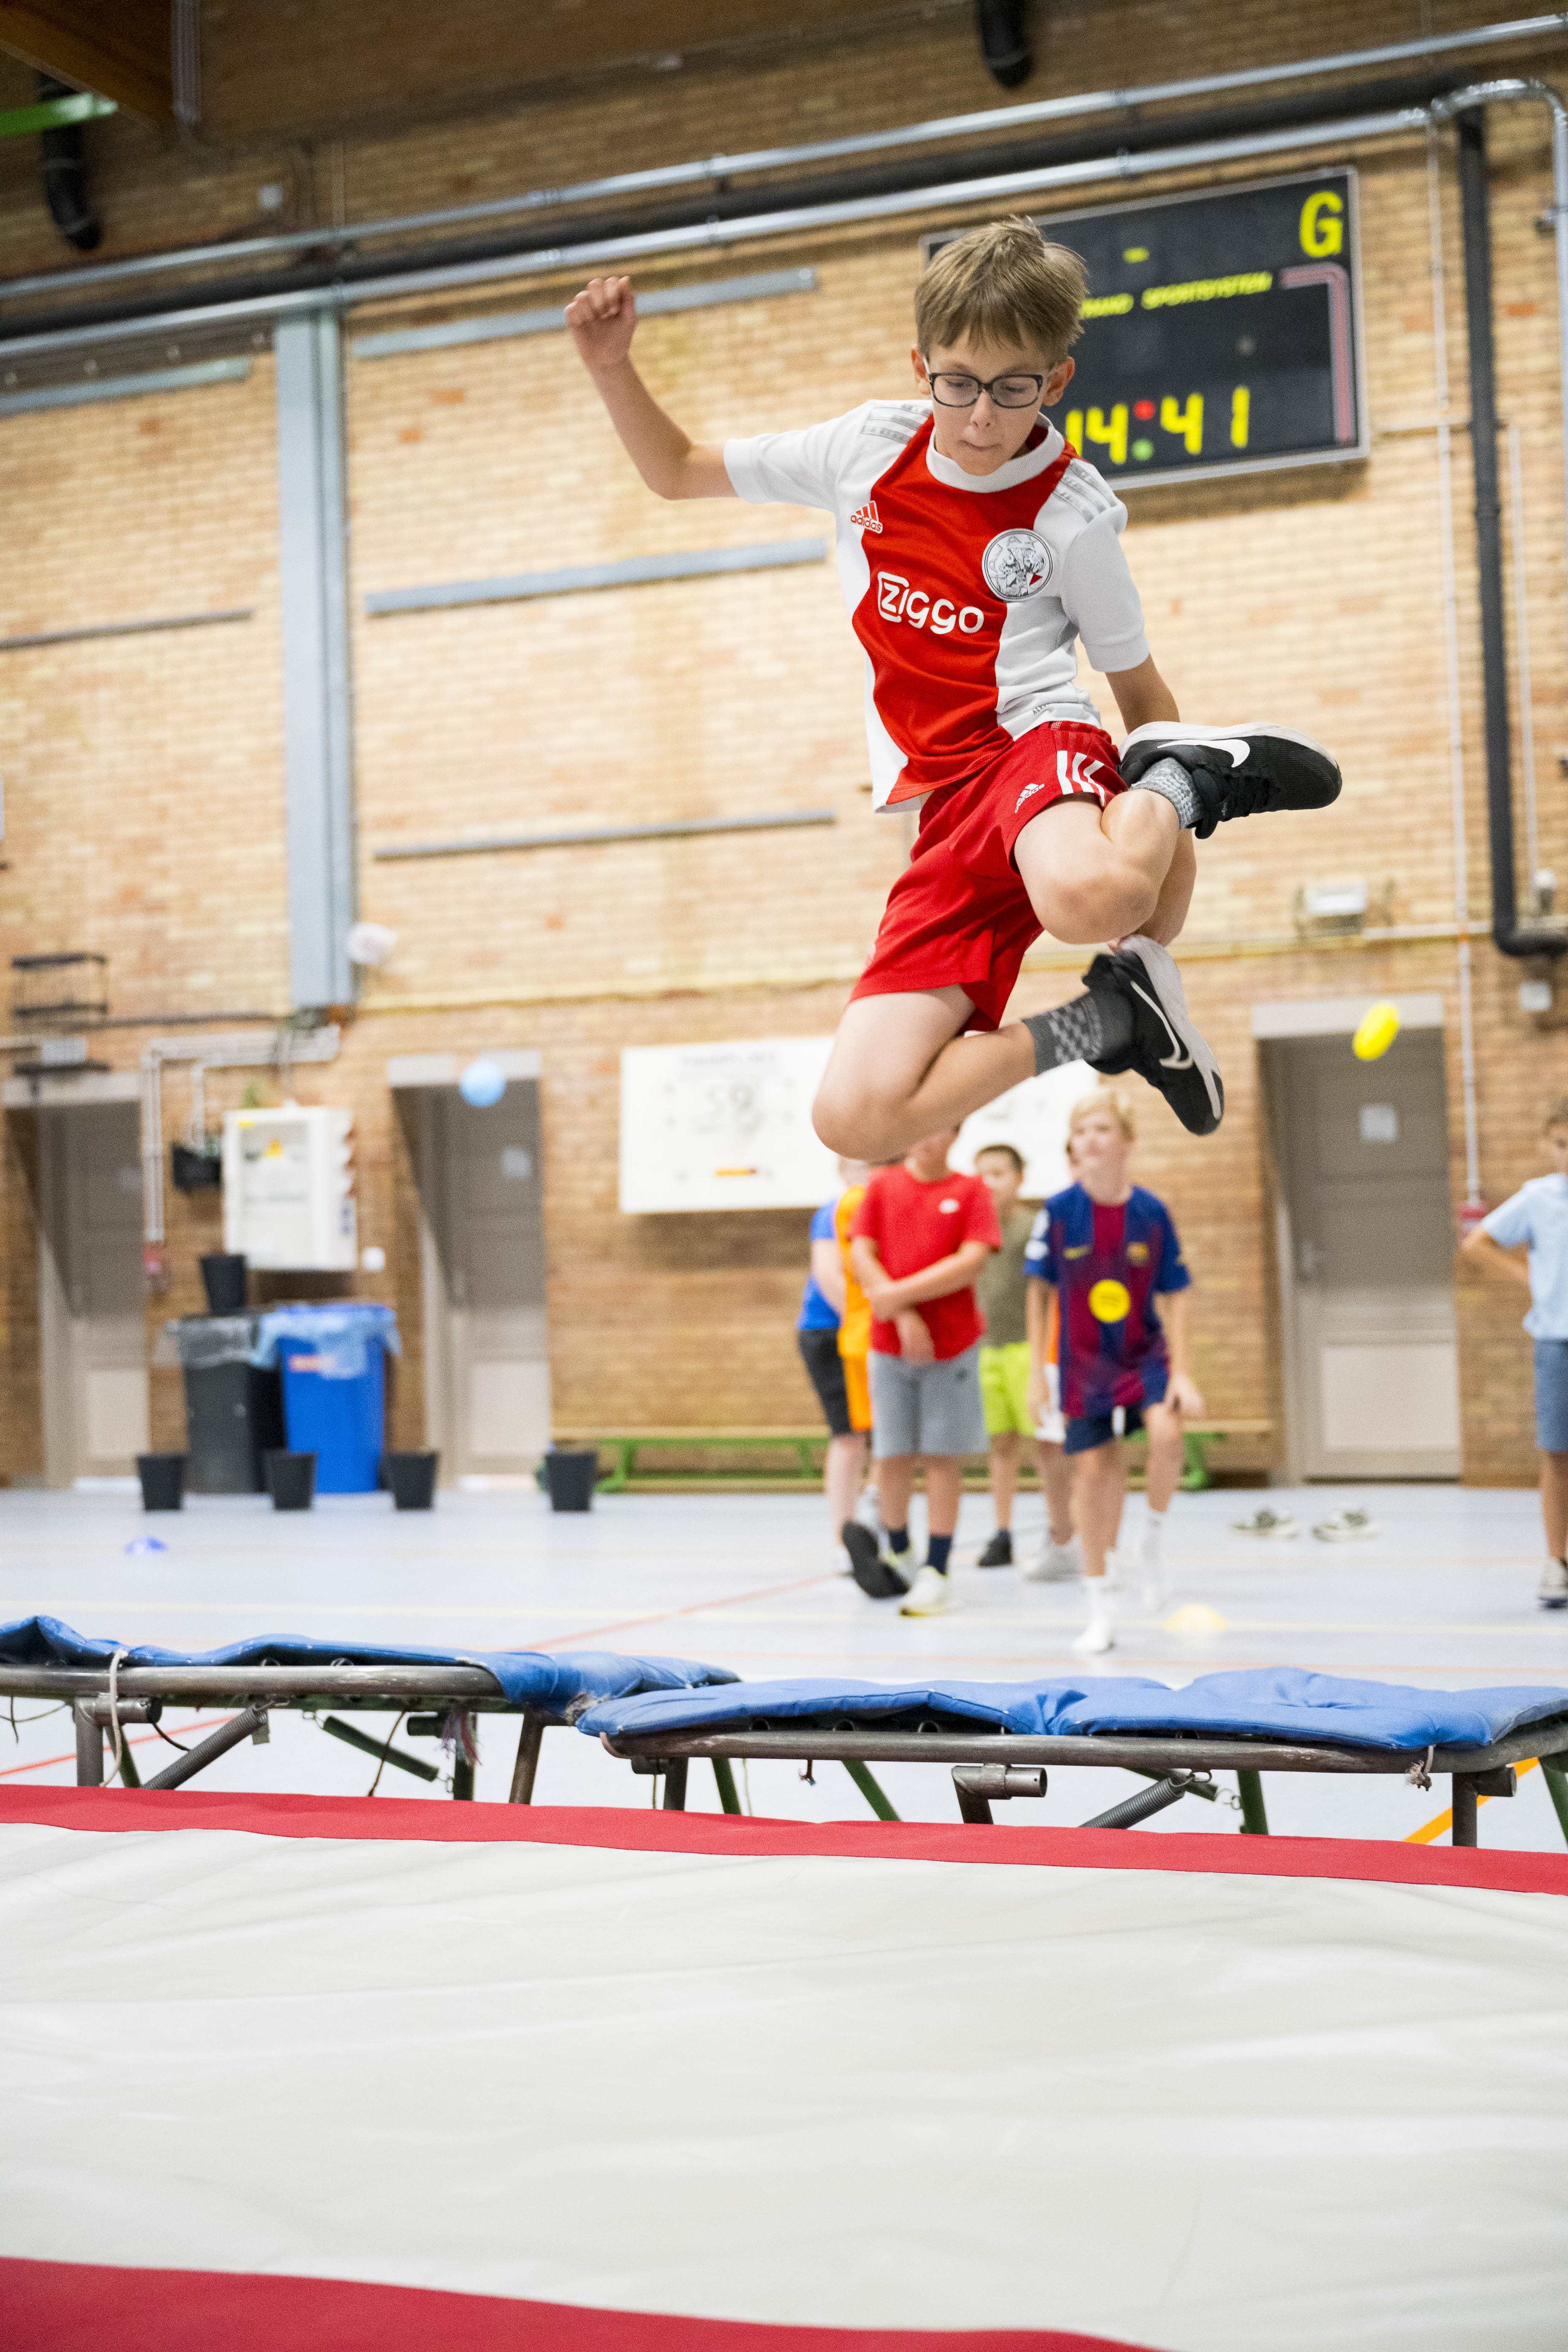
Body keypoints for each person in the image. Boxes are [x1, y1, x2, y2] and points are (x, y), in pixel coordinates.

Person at [565, 221, 1340, 1172]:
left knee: (1100, 901)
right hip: (939, 808)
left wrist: (1164, 863)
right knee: (859, 1116)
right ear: (920, 366)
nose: (980, 416)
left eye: (1012, 389)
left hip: (1030, 744)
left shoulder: (1070, 511)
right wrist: (610, 366)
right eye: (957, 384)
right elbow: (676, 471)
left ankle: (1192, 783)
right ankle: (1105, 1023)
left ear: (1054, 380)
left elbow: (1135, 687)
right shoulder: (864, 448)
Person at [1025, 1086, 1202, 1653]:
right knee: (1093, 1477)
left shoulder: (1151, 1213)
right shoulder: (1057, 1213)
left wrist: (1183, 1372)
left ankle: (1149, 1539)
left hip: (1143, 1354)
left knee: (1169, 1436)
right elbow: (1038, 1294)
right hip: (1083, 1365)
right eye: (1081, 1132)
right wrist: (1037, 1372)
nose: (1090, 1140)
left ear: (1127, 1141)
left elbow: (1177, 1295)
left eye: (1102, 1129)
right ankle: (1101, 1608)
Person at [843, 1129, 999, 1617]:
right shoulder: (883, 1186)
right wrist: (901, 1311)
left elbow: (969, 1262)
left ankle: (937, 1568)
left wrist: (898, 1295)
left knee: (940, 1457)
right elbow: (860, 1253)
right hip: (890, 1345)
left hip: (950, 1347)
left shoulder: (971, 1191)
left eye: (935, 1125)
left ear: (954, 1131)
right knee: (892, 1455)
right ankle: (900, 1553)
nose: (922, 1136)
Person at [1461, 1099, 1568, 1609]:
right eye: (1561, 1144)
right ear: (1550, 1145)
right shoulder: (1540, 1198)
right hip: (1556, 1343)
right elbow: (1477, 1243)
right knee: (1557, 1454)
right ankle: (1556, 1563)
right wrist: (1526, 1277)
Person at [971, 1142, 1076, 1573]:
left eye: (998, 1173)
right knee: (1000, 1445)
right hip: (985, 1350)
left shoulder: (1034, 1227)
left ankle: (1062, 1531)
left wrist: (1044, 1356)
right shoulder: (971, 1232)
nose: (988, 1183)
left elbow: (1050, 1295)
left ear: (1019, 1178)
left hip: (1027, 1350)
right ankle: (1001, 1532)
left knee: (1047, 1445)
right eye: (981, 1174)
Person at [797, 1157, 872, 1562]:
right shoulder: (834, 1212)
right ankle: (843, 1539)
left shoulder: (883, 1207)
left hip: (876, 1333)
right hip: (832, 1332)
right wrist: (866, 1329)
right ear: (842, 1169)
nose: (866, 1172)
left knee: (884, 1440)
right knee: (849, 1435)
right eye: (857, 1165)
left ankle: (878, 1532)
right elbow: (830, 1277)